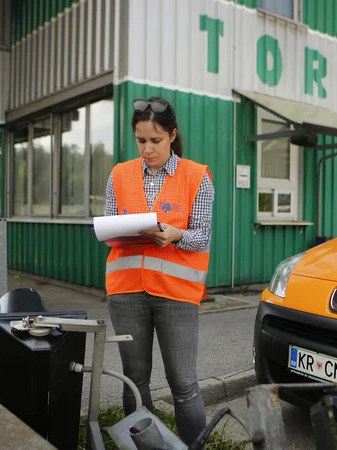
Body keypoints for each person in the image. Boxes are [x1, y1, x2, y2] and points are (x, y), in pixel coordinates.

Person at [103, 96, 214, 445]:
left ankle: (193, 445)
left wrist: (176, 234)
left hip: (176, 295)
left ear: (172, 135)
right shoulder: (119, 174)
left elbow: (202, 236)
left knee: (183, 383)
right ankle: (146, 445)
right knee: (134, 380)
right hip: (126, 292)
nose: (147, 149)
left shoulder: (197, 176)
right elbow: (108, 226)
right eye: (141, 140)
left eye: (156, 140)